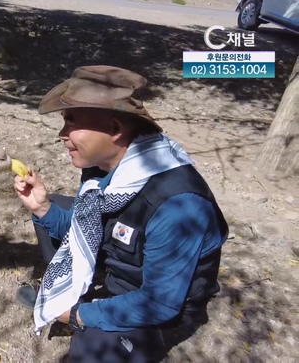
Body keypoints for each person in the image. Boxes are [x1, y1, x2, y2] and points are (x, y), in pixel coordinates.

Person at [12, 65, 229, 363]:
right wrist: (42, 208)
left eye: (71, 122)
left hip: (163, 309)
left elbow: (159, 304)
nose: (62, 135)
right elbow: (82, 230)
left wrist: (76, 315)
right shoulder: (105, 170)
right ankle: (75, 295)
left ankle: (80, 310)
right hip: (121, 271)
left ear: (115, 129)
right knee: (58, 207)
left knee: (90, 353)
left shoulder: (179, 205)